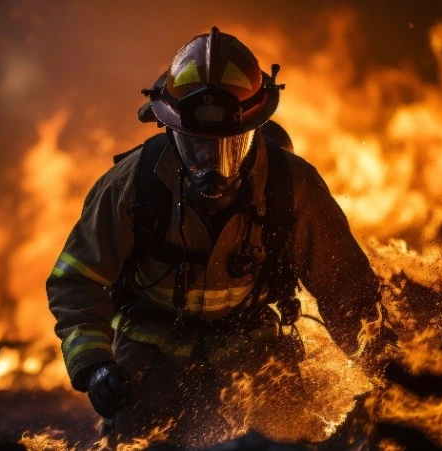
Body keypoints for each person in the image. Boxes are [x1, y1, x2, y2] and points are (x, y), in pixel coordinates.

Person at [46, 26, 388, 446]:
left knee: (289, 442)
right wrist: (95, 365)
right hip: (152, 359)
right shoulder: (132, 186)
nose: (213, 165)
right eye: (197, 145)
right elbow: (76, 280)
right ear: (170, 130)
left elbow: (347, 292)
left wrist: (392, 375)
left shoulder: (290, 187)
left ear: (255, 129)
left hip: (254, 351)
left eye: (229, 146)